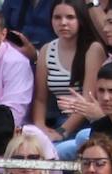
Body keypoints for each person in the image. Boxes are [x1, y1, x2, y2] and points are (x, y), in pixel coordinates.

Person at [32, 0, 97, 143]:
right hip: (57, 119)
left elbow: (87, 100)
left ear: (81, 19)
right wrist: (40, 127)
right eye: (57, 17)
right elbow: (40, 99)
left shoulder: (93, 49)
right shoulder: (46, 50)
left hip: (85, 124)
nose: (63, 22)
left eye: (70, 17)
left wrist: (61, 132)